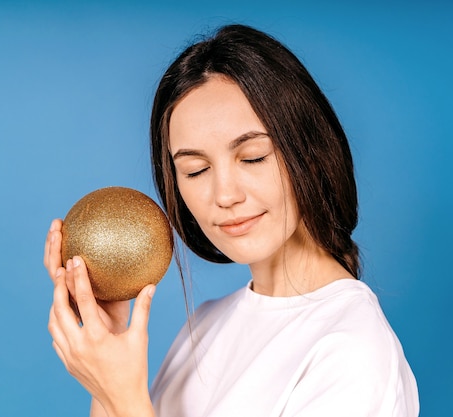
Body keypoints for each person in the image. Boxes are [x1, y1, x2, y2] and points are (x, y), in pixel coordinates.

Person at [44, 24, 419, 417]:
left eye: (253, 157)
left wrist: (125, 399)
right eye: (195, 170)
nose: (225, 195)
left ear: (310, 154)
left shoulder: (353, 351)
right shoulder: (206, 325)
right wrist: (110, 352)